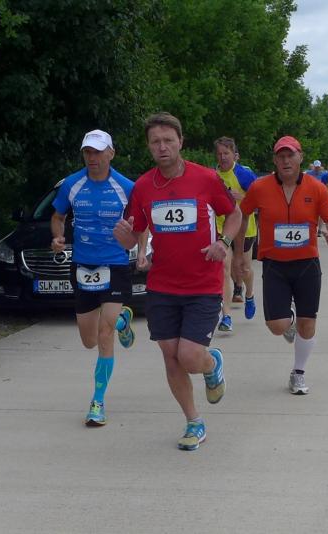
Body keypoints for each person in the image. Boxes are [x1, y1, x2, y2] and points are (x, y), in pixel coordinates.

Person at [113, 112, 241, 451]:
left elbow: (235, 213)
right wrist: (125, 238)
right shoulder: (142, 187)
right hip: (162, 286)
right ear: (149, 146)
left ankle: (211, 363)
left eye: (168, 140)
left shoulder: (206, 179)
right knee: (171, 357)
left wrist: (224, 242)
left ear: (180, 142)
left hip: (203, 284)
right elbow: (133, 234)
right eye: (155, 142)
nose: (162, 147)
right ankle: (193, 421)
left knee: (190, 356)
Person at [50, 129, 147, 426]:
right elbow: (58, 217)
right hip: (83, 265)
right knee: (89, 340)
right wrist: (57, 237)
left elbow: (141, 223)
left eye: (97, 152)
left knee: (105, 336)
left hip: (115, 265)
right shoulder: (71, 184)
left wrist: (142, 252)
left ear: (111, 153)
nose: (92, 157)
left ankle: (98, 401)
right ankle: (122, 321)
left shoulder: (126, 187)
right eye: (87, 152)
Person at [234, 136, 328, 395]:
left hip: (307, 265)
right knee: (277, 326)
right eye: (281, 156)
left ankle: (299, 372)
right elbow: (242, 214)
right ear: (275, 160)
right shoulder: (260, 187)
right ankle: (289, 318)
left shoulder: (316, 188)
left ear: (300, 157)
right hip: (275, 265)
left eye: (290, 155)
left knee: (308, 324)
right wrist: (239, 254)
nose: (286, 161)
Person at [214, 137, 258, 323]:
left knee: (244, 268)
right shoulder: (212, 175)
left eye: (226, 153)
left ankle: (249, 295)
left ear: (235, 155)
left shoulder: (244, 175)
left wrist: (242, 197)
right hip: (221, 228)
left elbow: (260, 200)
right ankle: (226, 316)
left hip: (245, 228)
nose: (222, 157)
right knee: (224, 268)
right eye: (219, 154)